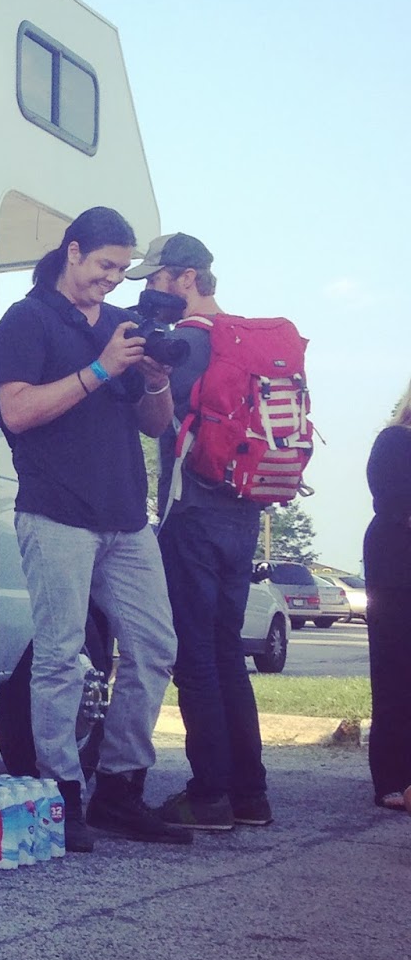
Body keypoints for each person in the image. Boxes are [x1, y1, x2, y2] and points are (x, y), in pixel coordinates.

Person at [0, 206, 190, 851]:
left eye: (122, 269)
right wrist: (101, 367)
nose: (113, 279)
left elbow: (154, 426)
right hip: (57, 514)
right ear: (72, 251)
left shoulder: (125, 326)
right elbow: (17, 412)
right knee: (60, 657)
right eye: (106, 265)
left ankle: (121, 790)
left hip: (127, 518)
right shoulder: (27, 321)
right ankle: (59, 796)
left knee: (156, 646)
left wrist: (156, 381)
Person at [123, 234, 272, 829]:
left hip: (194, 514)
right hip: (245, 512)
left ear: (185, 279)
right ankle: (251, 795)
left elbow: (143, 409)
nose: (147, 288)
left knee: (197, 660)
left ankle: (209, 794)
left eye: (155, 278)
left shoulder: (187, 343)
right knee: (228, 653)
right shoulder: (244, 341)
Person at [364, 379, 411, 813]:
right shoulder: (396, 440)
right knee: (396, 677)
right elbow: (393, 500)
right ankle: (393, 779)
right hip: (397, 575)